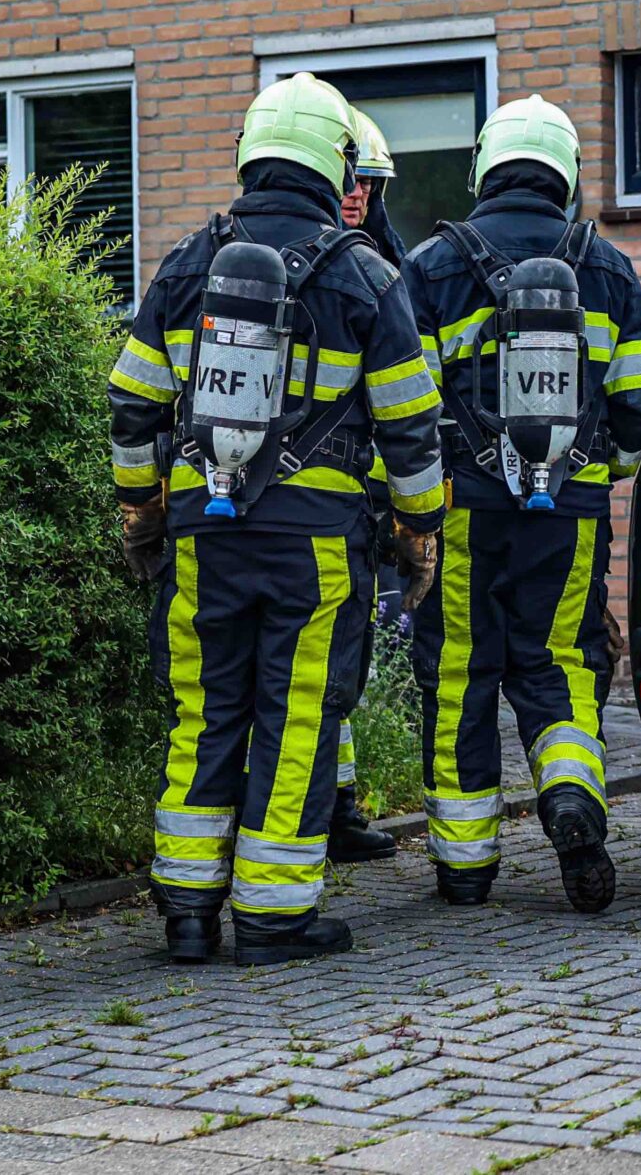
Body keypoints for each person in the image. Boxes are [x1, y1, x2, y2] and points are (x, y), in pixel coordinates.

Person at [108, 74, 444, 966]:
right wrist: (420, 528)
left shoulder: (186, 263)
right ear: (332, 167)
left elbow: (133, 402)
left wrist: (143, 509)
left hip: (201, 534)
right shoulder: (367, 273)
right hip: (317, 543)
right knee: (296, 714)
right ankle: (272, 915)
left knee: (204, 711)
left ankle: (186, 910)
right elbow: (410, 422)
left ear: (252, 155)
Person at [405, 95, 641, 914]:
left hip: (463, 512)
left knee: (460, 673)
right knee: (560, 664)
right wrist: (594, 471)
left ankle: (466, 864)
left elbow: (406, 402)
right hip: (572, 515)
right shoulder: (609, 268)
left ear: (486, 167)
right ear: (568, 175)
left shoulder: (434, 265)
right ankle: (570, 795)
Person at [323, 105, 412, 865]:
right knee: (323, 659)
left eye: (369, 185)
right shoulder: (317, 271)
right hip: (328, 498)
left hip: (375, 502)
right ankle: (322, 806)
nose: (356, 194)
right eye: (349, 181)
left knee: (349, 660)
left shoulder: (391, 272)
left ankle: (337, 804)